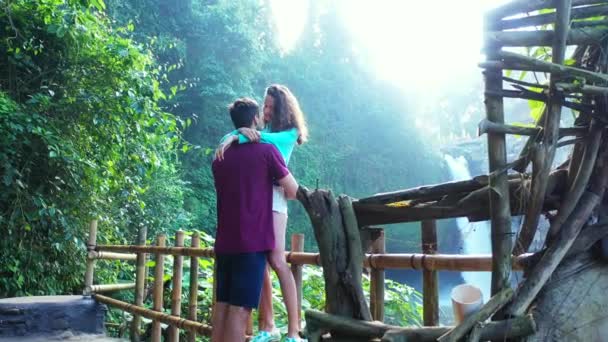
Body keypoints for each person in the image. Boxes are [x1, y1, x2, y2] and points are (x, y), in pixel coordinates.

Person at [216, 84, 308, 341]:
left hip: (276, 201)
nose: (266, 111)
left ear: (282, 108)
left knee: (277, 260)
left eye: (270, 107)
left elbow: (261, 140)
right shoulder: (263, 132)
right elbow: (256, 137)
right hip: (259, 199)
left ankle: (293, 330)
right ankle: (267, 325)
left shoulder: (289, 133)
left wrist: (237, 135)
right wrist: (237, 135)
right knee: (259, 263)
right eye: (264, 106)